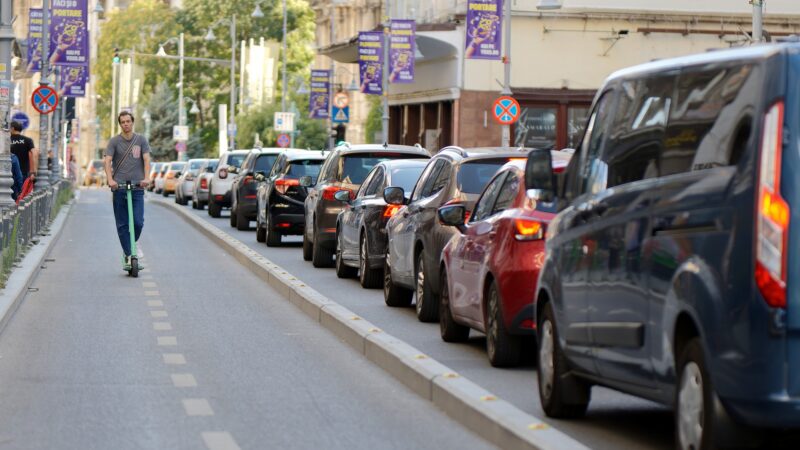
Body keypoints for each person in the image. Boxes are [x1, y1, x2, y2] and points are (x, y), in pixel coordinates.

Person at [104, 111, 151, 271]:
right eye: (123, 122)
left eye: (128, 121)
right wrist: (111, 180)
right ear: (120, 124)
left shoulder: (141, 140)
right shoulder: (114, 142)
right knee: (123, 224)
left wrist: (147, 178)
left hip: (137, 187)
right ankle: (129, 253)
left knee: (138, 222)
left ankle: (130, 248)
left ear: (132, 122)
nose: (125, 124)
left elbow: (146, 159)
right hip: (120, 188)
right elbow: (107, 161)